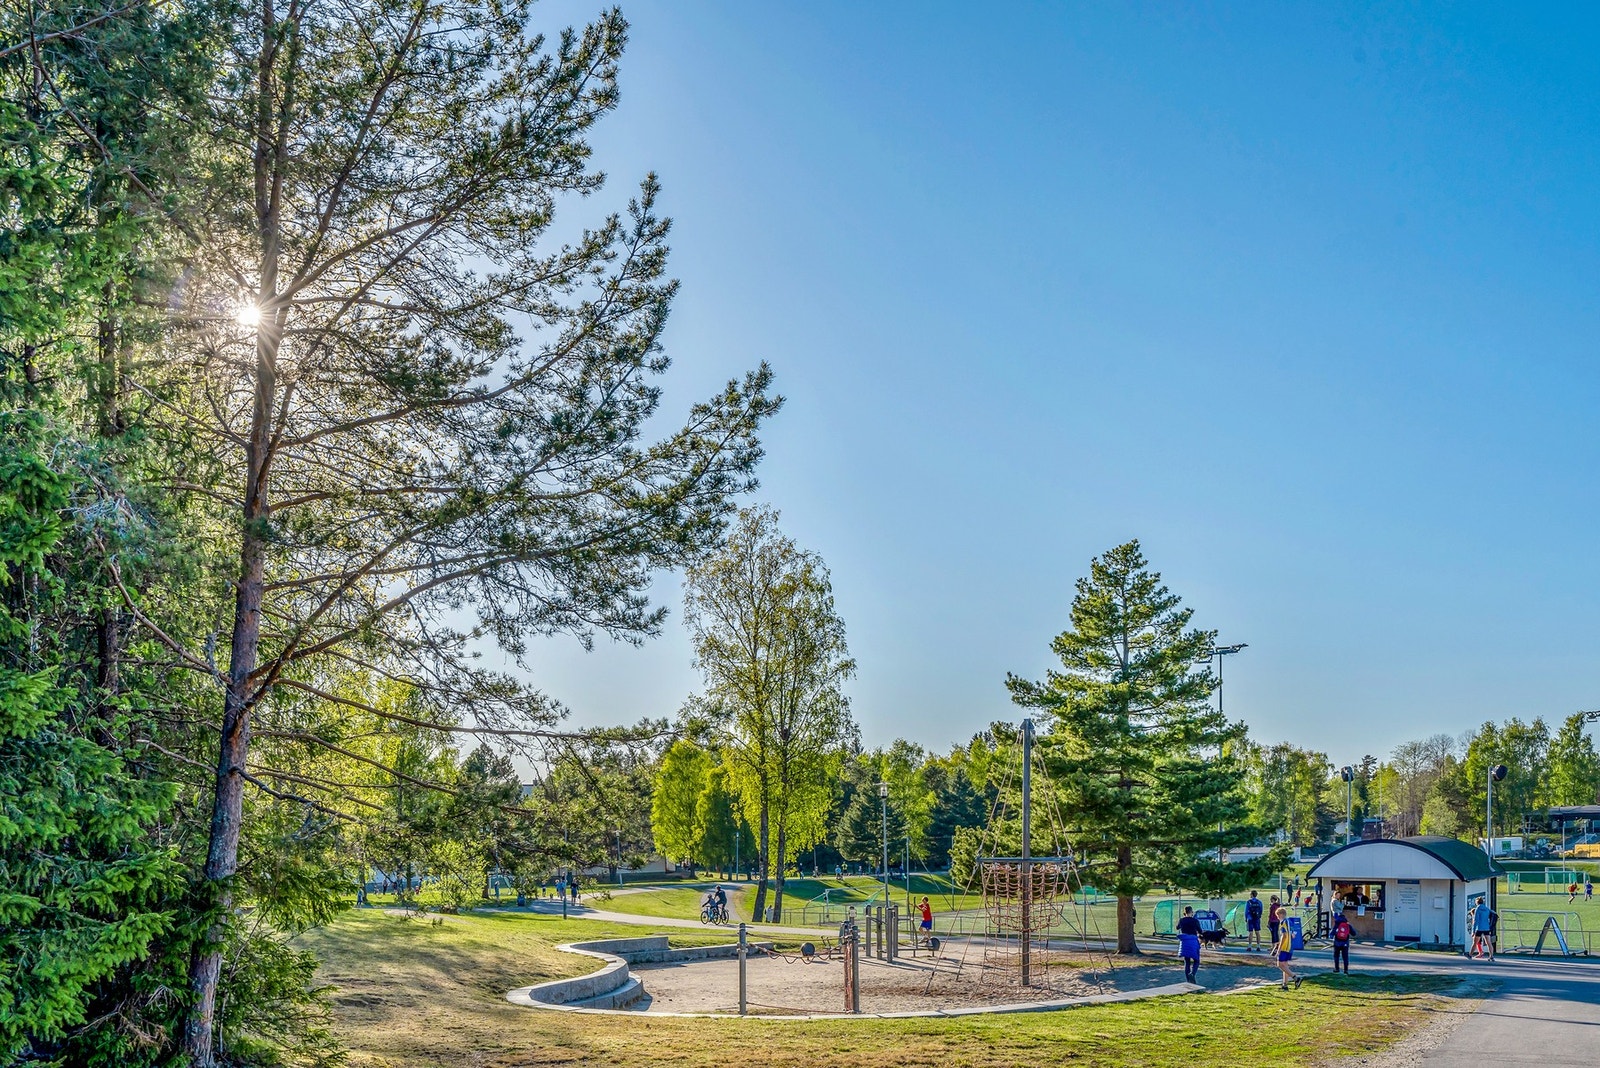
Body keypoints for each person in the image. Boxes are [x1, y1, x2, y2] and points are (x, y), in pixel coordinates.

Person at [1176, 906, 1203, 983]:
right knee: (1196, 960)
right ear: (1191, 912)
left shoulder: (1181, 920)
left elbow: (1177, 927)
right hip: (1193, 941)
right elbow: (1200, 931)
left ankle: (1188, 980)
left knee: (1187, 962)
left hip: (1184, 942)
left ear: (1184, 913)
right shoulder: (1195, 921)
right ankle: (1193, 973)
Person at [1275, 923, 1301, 990]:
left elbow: (1284, 936)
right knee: (1285, 966)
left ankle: (1295, 978)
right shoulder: (1289, 923)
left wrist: (1279, 948)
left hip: (1284, 948)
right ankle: (1285, 985)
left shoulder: (1282, 924)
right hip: (1289, 948)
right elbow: (1294, 934)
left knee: (1280, 965)